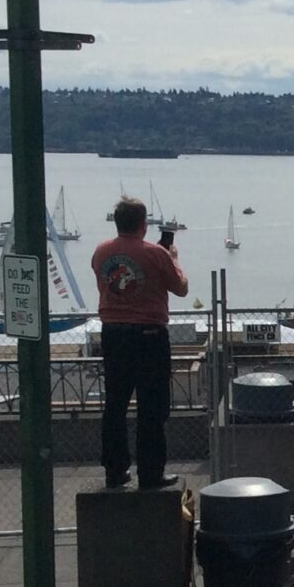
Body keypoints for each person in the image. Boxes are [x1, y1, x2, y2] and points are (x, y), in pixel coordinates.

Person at [91, 196, 188, 490]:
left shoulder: (101, 252)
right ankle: (150, 473)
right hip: (149, 336)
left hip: (113, 333)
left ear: (117, 222)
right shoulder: (156, 254)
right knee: (152, 407)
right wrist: (173, 258)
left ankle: (115, 470)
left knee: (115, 404)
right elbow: (181, 288)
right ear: (144, 224)